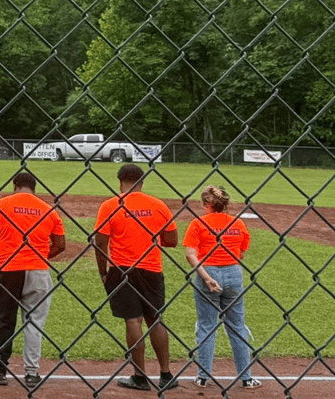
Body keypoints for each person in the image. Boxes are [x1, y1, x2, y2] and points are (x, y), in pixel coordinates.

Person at [94, 164, 179, 392]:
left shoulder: (110, 205)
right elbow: (172, 240)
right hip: (151, 269)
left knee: (133, 321)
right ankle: (166, 374)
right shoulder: (157, 205)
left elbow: (100, 242)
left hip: (122, 270)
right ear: (142, 182)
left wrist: (103, 271)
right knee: (155, 319)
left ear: (120, 182)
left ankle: (140, 377)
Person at [0, 172, 66, 388]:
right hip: (38, 270)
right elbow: (61, 244)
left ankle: (0, 369)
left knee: (5, 320)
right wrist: (42, 256)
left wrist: (3, 254)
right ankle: (31, 373)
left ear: (15, 186)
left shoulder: (1, 204)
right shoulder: (48, 209)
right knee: (35, 322)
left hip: (8, 270)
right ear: (34, 188)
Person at [184, 186, 261, 389]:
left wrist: (207, 278)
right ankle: (246, 378)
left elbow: (190, 254)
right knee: (237, 326)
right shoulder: (238, 223)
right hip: (233, 273)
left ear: (206, 205)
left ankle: (203, 377)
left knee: (207, 326)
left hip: (206, 272)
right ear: (225, 204)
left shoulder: (198, 223)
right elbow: (241, 253)